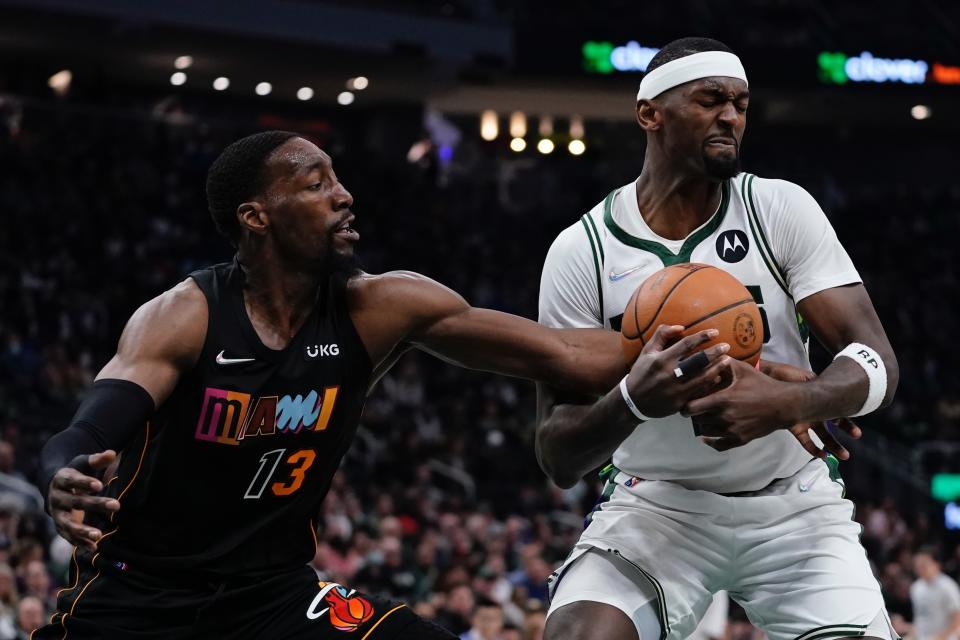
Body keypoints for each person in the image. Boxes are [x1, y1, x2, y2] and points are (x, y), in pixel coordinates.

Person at [33, 131, 708, 639]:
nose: (343, 194)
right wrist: (62, 473)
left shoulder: (382, 306)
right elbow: (91, 426)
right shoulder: (184, 317)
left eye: (338, 179)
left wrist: (701, 335)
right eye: (314, 183)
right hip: (141, 597)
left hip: (275, 596)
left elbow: (565, 354)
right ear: (256, 216)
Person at [536, 37, 899, 640]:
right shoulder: (583, 251)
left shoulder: (778, 208)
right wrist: (632, 400)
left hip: (795, 508)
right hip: (655, 509)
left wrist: (794, 401)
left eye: (740, 103)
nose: (731, 116)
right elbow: (557, 454)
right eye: (710, 100)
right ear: (649, 113)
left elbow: (877, 361)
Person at [909, 547, 960, 640]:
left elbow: (957, 619)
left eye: (924, 564)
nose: (920, 567)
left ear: (936, 564)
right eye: (918, 565)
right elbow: (919, 616)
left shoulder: (947, 587)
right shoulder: (916, 587)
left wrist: (940, 637)